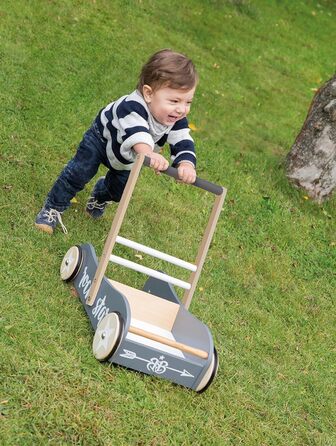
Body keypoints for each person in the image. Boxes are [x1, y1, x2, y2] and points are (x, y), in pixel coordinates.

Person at [35, 49, 198, 234]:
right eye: (175, 101)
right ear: (149, 94)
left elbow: (183, 140)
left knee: (120, 191)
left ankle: (100, 193)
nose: (181, 109)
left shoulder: (176, 120)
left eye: (188, 102)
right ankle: (53, 208)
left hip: (127, 156)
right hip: (101, 140)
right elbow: (138, 133)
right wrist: (150, 153)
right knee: (78, 173)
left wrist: (186, 164)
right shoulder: (132, 106)